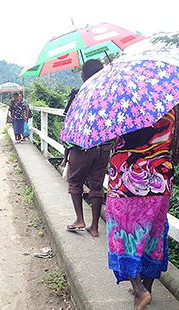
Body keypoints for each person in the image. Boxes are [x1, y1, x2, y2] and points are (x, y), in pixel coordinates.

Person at [106, 104, 179, 310]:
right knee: (153, 235)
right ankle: (145, 289)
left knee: (122, 235)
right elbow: (176, 149)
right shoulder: (172, 103)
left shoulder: (122, 102)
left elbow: (114, 135)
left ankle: (139, 291)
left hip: (125, 180)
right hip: (160, 178)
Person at [62, 59, 111, 237]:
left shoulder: (78, 94)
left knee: (75, 183)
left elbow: (67, 120)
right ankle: (95, 227)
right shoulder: (109, 94)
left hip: (82, 147)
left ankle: (80, 219)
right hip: (104, 147)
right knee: (97, 186)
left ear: (83, 76)